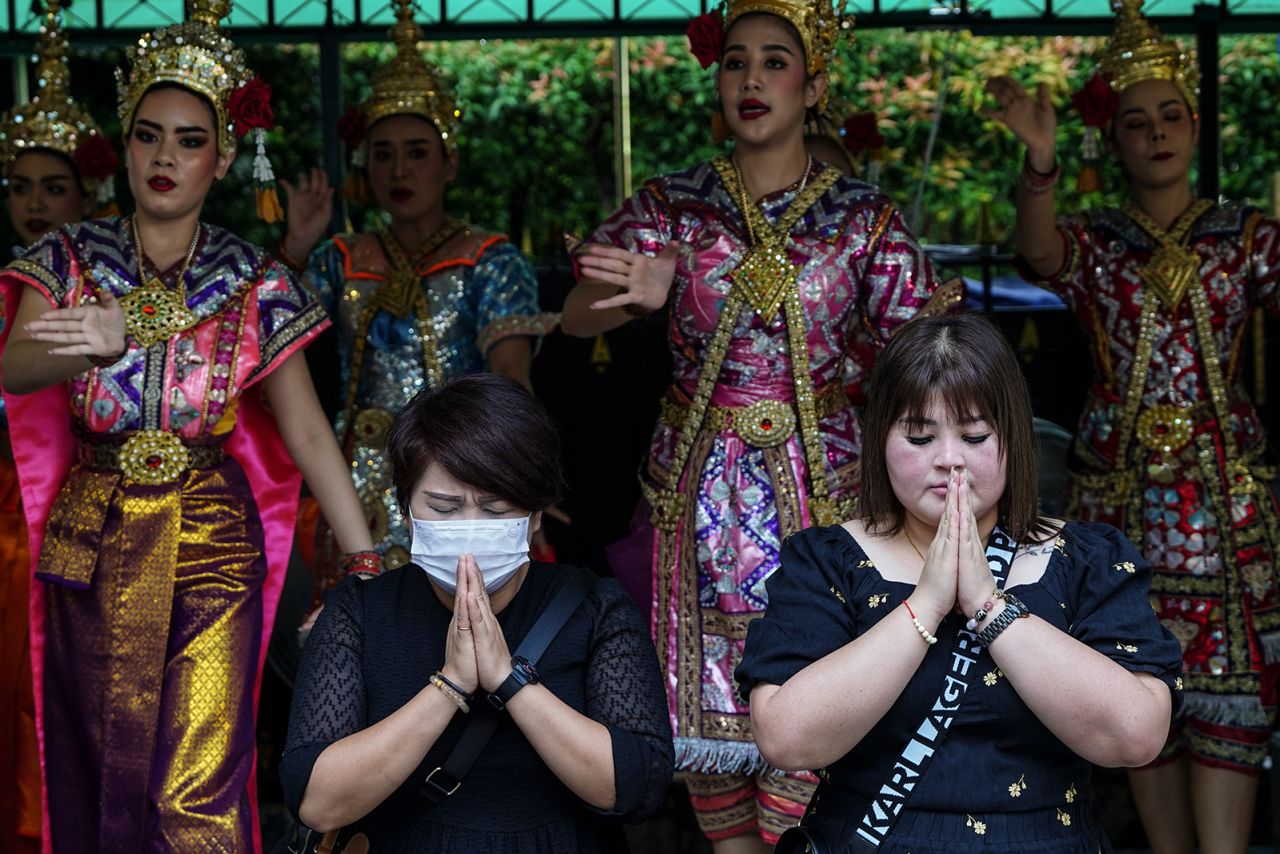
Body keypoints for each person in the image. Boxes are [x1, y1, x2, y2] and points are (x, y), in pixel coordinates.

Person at [561, 1, 959, 848]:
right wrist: (636, 293)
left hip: (828, 497)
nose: (750, 79)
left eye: (774, 62)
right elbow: (575, 314)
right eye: (735, 60)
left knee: (814, 718)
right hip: (698, 501)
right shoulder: (672, 205)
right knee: (710, 733)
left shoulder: (863, 220)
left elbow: (925, 359)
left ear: (813, 85)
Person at [0, 0, 375, 848]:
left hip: (213, 539)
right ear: (124, 145)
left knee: (196, 784)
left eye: (190, 140)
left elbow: (309, 433)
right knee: (98, 765)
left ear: (226, 157)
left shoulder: (253, 281)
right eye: (148, 135)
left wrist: (365, 557)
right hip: (89, 539)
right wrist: (87, 347)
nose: (165, 156)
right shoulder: (66, 261)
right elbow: (13, 367)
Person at [985, 0, 1280, 849]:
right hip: (1123, 499)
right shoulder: (1098, 239)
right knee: (1134, 680)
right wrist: (1040, 161)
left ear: (1195, 128)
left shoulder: (1244, 237)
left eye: (1172, 117)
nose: (1157, 134)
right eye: (1136, 122)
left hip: (1228, 506)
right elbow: (1039, 253)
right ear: (1111, 142)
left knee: (1233, 697)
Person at [736, 312, 1183, 852]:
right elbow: (786, 738)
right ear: (880, 438)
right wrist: (925, 605)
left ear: (1013, 437)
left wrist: (987, 605)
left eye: (974, 435)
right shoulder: (827, 560)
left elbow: (1137, 736)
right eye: (920, 436)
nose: (950, 460)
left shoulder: (1086, 558)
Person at [280, 373, 673, 851]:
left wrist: (509, 680)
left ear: (535, 518)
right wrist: (450, 684)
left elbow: (638, 790)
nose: (468, 529)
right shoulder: (360, 611)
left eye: (493, 508)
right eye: (444, 508)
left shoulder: (595, 608)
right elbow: (318, 802)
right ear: (406, 511)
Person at [279, 0, 557, 579]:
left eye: (416, 153)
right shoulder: (341, 257)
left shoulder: (490, 258)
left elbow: (510, 376)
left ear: (449, 163)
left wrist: (516, 468)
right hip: (357, 470)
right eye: (383, 155)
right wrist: (298, 245)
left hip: (462, 467)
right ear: (366, 167)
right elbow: (272, 342)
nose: (399, 171)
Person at [0, 4, 116, 851]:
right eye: (20, 186)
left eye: (55, 187)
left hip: (77, 526)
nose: (35, 204)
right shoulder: (10, 287)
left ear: (89, 195)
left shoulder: (108, 293)